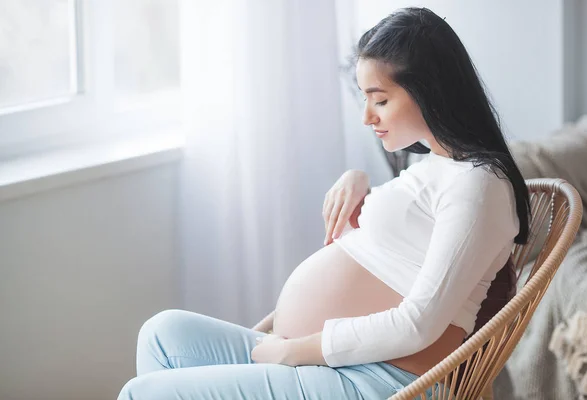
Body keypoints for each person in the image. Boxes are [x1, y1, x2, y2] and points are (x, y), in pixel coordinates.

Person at [117, 7, 530, 399]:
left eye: (380, 100)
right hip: (331, 362)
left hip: (383, 380)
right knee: (161, 333)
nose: (367, 117)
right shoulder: (434, 167)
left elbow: (418, 324)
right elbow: (391, 251)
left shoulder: (480, 185)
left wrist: (293, 351)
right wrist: (360, 184)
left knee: (142, 394)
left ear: (431, 93)